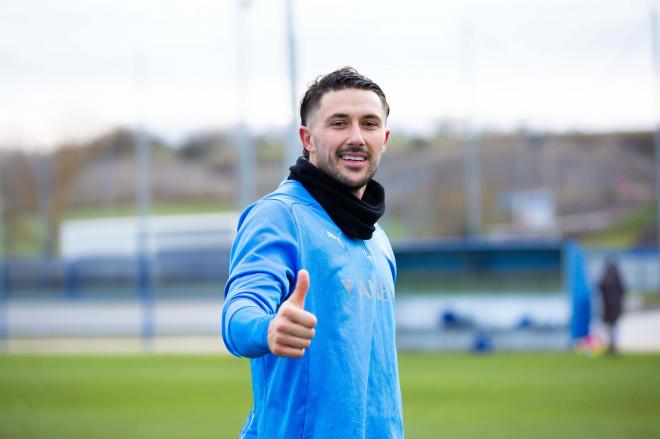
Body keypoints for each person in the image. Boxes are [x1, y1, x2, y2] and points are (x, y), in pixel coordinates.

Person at [222, 67, 403, 438]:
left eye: (369, 124)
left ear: (384, 138)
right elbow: (239, 313)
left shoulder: (378, 239)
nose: (356, 137)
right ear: (307, 138)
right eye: (339, 123)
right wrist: (269, 328)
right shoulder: (278, 216)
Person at [597, 258, 626, 355]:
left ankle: (612, 346)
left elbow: (600, 287)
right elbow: (623, 291)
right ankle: (612, 346)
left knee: (611, 326)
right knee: (613, 326)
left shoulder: (606, 277)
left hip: (609, 307)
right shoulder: (617, 277)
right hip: (613, 307)